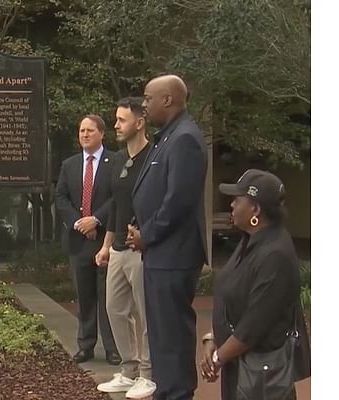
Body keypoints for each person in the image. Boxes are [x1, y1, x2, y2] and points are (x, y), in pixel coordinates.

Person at [126, 74, 208, 400]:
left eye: (148, 98)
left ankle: (176, 393)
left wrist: (149, 234)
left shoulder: (185, 138)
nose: (144, 105)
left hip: (174, 254)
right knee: (160, 334)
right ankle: (168, 391)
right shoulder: (168, 136)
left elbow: (178, 200)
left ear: (168, 100)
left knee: (171, 334)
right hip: (161, 252)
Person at [200, 169, 309, 399]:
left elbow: (253, 326)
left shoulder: (275, 255)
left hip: (260, 377)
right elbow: (233, 297)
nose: (231, 205)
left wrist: (218, 358)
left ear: (256, 210)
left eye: (237, 200)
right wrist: (213, 337)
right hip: (239, 366)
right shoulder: (250, 240)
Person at [94, 97, 156, 398]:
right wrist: (107, 246)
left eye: (121, 120)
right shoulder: (118, 160)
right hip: (118, 247)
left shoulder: (154, 157)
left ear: (139, 123)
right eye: (116, 120)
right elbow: (117, 207)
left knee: (145, 312)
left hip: (142, 248)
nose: (116, 125)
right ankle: (129, 370)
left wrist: (147, 235)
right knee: (115, 308)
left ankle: (148, 374)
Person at [55, 115, 120, 365]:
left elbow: (117, 197)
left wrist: (96, 220)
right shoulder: (69, 165)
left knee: (108, 297)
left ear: (102, 133)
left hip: (106, 239)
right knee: (84, 297)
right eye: (81, 130)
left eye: (90, 130)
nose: (84, 135)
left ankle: (113, 348)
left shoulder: (115, 161)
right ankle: (86, 346)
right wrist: (80, 223)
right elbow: (60, 198)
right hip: (78, 241)